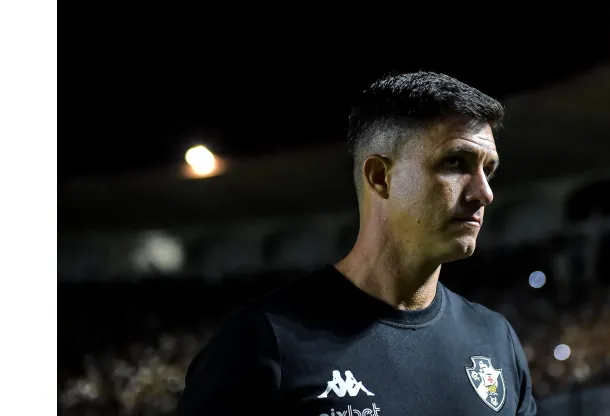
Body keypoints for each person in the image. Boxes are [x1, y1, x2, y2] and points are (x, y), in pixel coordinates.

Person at [177, 71, 537, 415]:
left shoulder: (495, 341)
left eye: (487, 170)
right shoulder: (260, 343)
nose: (484, 193)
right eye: (455, 162)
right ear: (380, 177)